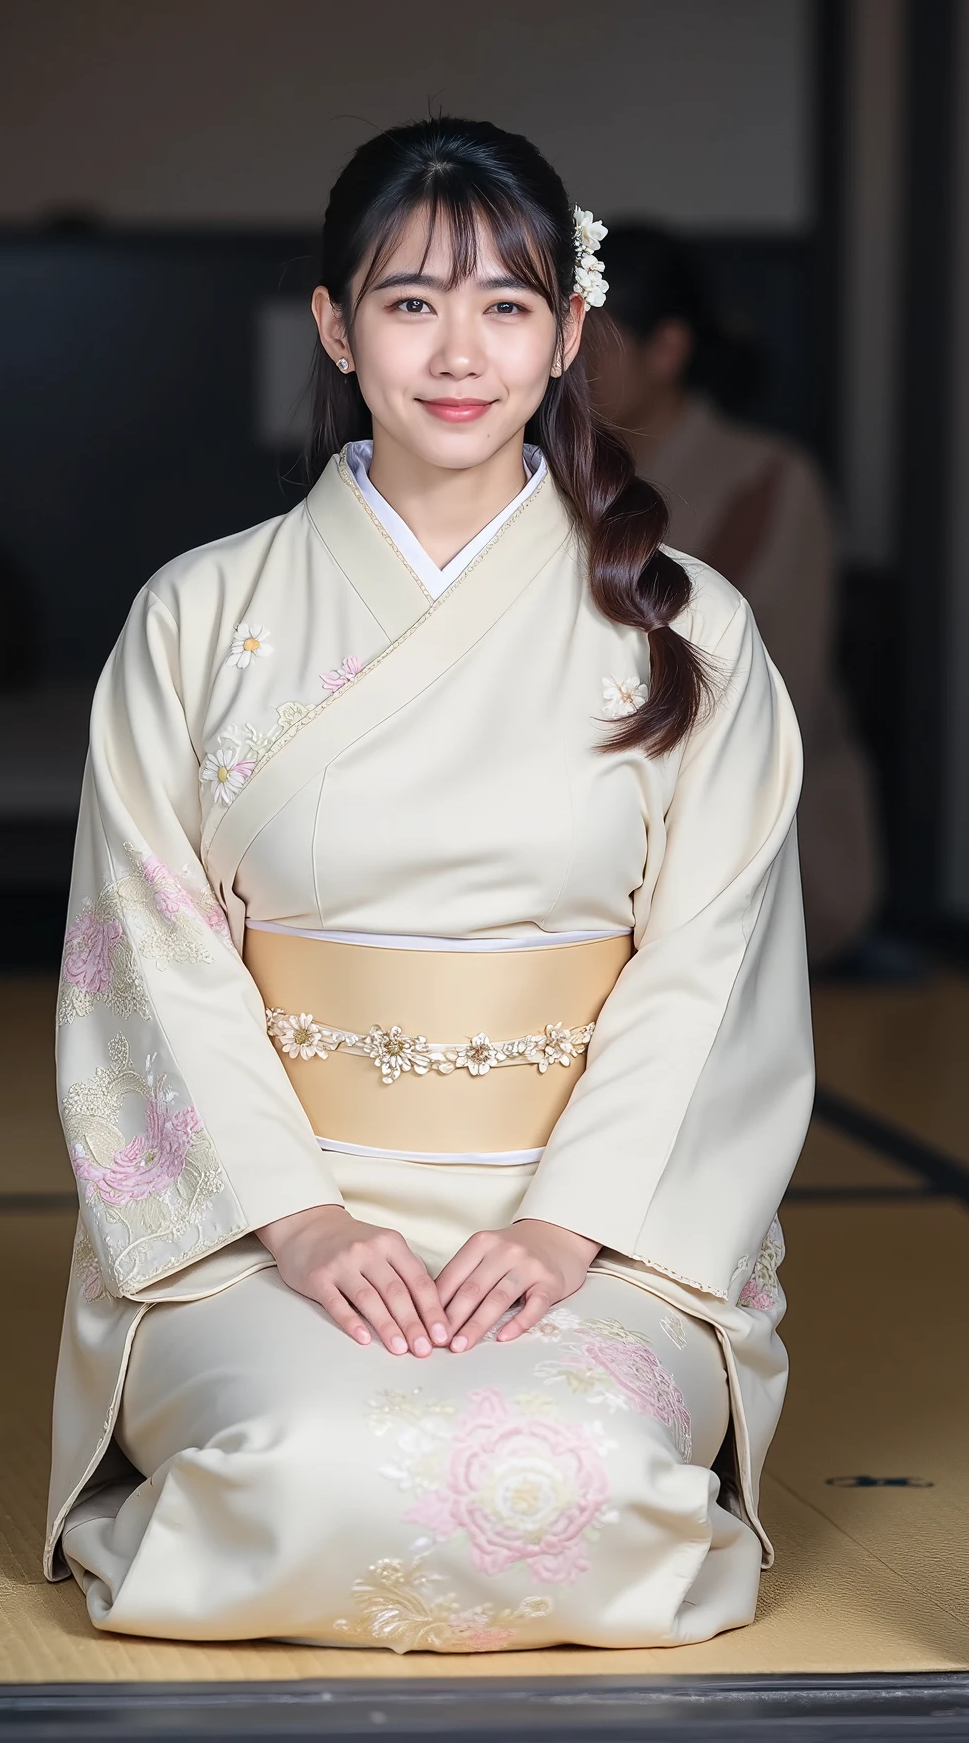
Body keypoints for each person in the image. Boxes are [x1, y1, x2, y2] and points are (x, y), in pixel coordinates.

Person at [46, 119, 813, 1652]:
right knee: (322, 1467)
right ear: (335, 324)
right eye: (408, 302)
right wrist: (306, 1227)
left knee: (572, 1476)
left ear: (570, 330)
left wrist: (566, 1232)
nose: (459, 352)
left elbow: (707, 977)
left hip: (590, 1220)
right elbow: (156, 957)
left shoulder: (693, 630)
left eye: (508, 305)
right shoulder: (200, 614)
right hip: (269, 1219)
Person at [589, 226, 881, 964]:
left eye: (595, 343)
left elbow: (786, 690)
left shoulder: (770, 479)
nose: (571, 367)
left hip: (757, 836)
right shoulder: (558, 474)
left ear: (669, 349)